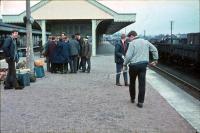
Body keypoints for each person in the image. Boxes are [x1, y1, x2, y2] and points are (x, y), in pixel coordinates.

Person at [123, 31, 158, 108]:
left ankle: (132, 98)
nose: (130, 39)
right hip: (143, 66)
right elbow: (154, 49)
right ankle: (140, 102)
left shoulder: (132, 43)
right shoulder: (146, 42)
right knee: (142, 84)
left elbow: (128, 56)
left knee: (132, 83)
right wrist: (155, 60)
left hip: (133, 66)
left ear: (132, 36)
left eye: (129, 38)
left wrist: (125, 64)